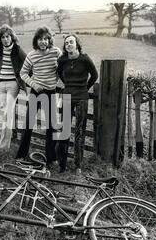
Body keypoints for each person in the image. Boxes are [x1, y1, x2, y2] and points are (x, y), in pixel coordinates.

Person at [15, 26, 62, 166]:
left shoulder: (56, 52)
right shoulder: (31, 55)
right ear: (36, 40)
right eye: (40, 39)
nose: (43, 42)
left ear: (50, 40)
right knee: (28, 124)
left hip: (50, 92)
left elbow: (63, 66)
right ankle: (21, 155)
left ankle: (51, 158)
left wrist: (57, 79)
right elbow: (23, 73)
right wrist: (33, 85)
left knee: (51, 126)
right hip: (36, 92)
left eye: (46, 39)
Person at [56, 33, 98, 175]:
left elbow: (95, 75)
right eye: (66, 43)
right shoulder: (62, 60)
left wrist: (85, 87)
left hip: (82, 97)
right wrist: (68, 84)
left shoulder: (85, 59)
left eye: (71, 42)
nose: (69, 44)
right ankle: (62, 163)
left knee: (80, 131)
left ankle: (78, 164)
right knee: (65, 129)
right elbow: (59, 73)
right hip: (67, 95)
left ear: (77, 44)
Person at [0, 24, 27, 150]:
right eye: (3, 37)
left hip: (13, 84)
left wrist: (21, 76)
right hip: (1, 83)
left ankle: (3, 146)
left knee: (8, 114)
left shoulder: (17, 49)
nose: (5, 39)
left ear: (12, 37)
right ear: (0, 39)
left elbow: (27, 64)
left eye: (8, 36)